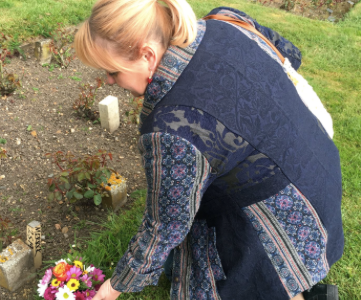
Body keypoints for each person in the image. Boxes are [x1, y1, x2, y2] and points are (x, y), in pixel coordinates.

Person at [74, 0, 343, 299]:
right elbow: (288, 53)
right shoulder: (222, 22)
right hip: (317, 166)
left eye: (112, 71)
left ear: (147, 55)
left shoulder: (172, 127)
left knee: (255, 279)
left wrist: (113, 288)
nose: (109, 80)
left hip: (289, 216)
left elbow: (164, 226)